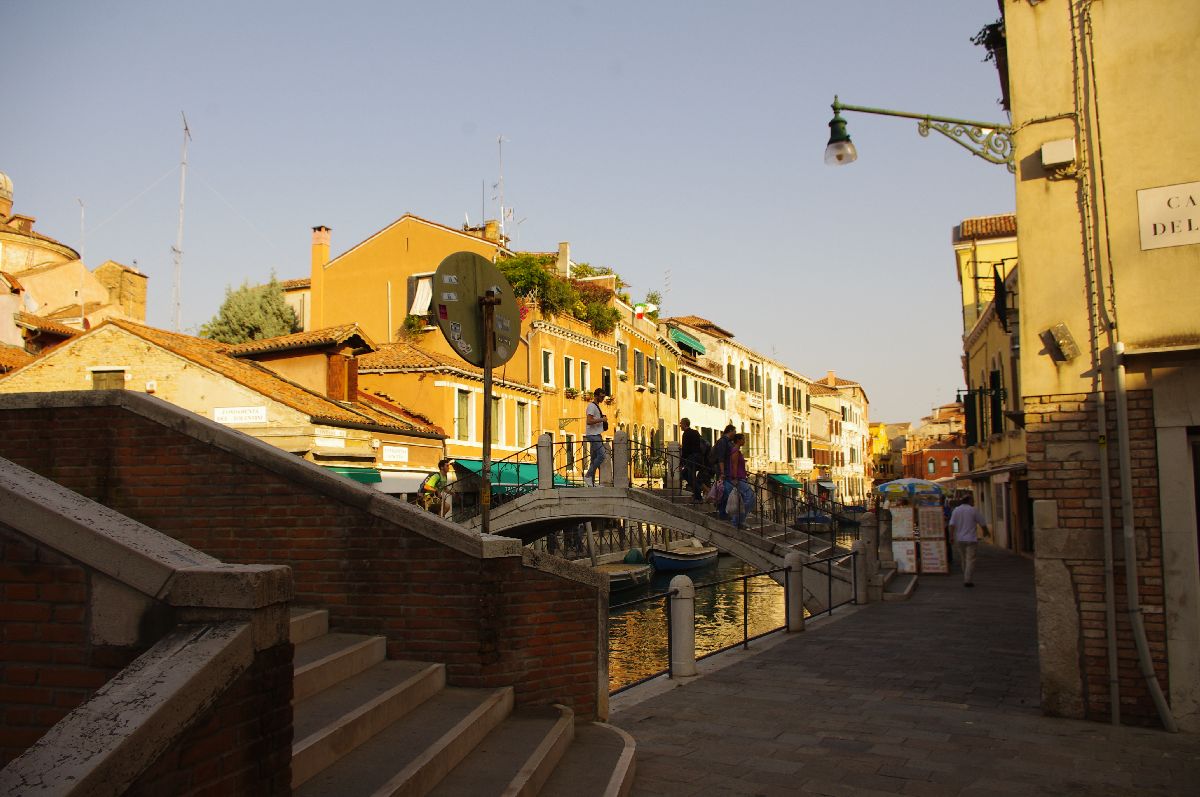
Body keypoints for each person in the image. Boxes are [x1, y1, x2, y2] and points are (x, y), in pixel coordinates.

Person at [947, 493, 989, 587]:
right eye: (973, 500)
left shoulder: (956, 510)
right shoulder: (973, 510)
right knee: (970, 559)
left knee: (963, 559)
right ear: (969, 501)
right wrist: (986, 532)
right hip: (971, 539)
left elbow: (951, 525)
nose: (974, 502)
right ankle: (968, 579)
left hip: (960, 539)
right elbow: (982, 523)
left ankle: (966, 576)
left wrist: (951, 537)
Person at [724, 433, 754, 529]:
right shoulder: (735, 451)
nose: (745, 441)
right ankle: (737, 520)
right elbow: (734, 465)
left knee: (746, 499)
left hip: (741, 477)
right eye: (743, 439)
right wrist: (735, 478)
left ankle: (739, 520)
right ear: (738, 440)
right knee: (750, 497)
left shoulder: (737, 451)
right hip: (738, 479)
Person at [583, 387, 608, 486]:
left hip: (596, 434)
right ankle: (588, 476)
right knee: (602, 455)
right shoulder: (591, 406)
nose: (602, 399)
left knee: (594, 458)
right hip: (593, 435)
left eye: (604, 397)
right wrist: (602, 420)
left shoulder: (596, 406)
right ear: (596, 396)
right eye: (601, 397)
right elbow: (589, 421)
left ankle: (591, 483)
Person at [711, 424, 737, 519]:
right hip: (723, 471)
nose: (735, 433)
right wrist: (722, 472)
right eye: (734, 431)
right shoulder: (722, 442)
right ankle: (722, 512)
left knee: (727, 491)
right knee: (724, 491)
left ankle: (724, 512)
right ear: (730, 431)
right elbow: (721, 458)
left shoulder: (729, 442)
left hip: (727, 470)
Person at [679, 418, 707, 500]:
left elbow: (685, 449)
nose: (680, 425)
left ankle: (698, 496)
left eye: (681, 424)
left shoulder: (686, 434)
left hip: (692, 458)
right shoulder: (695, 432)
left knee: (690, 477)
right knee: (686, 474)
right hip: (699, 458)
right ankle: (698, 492)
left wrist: (681, 462)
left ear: (685, 424)